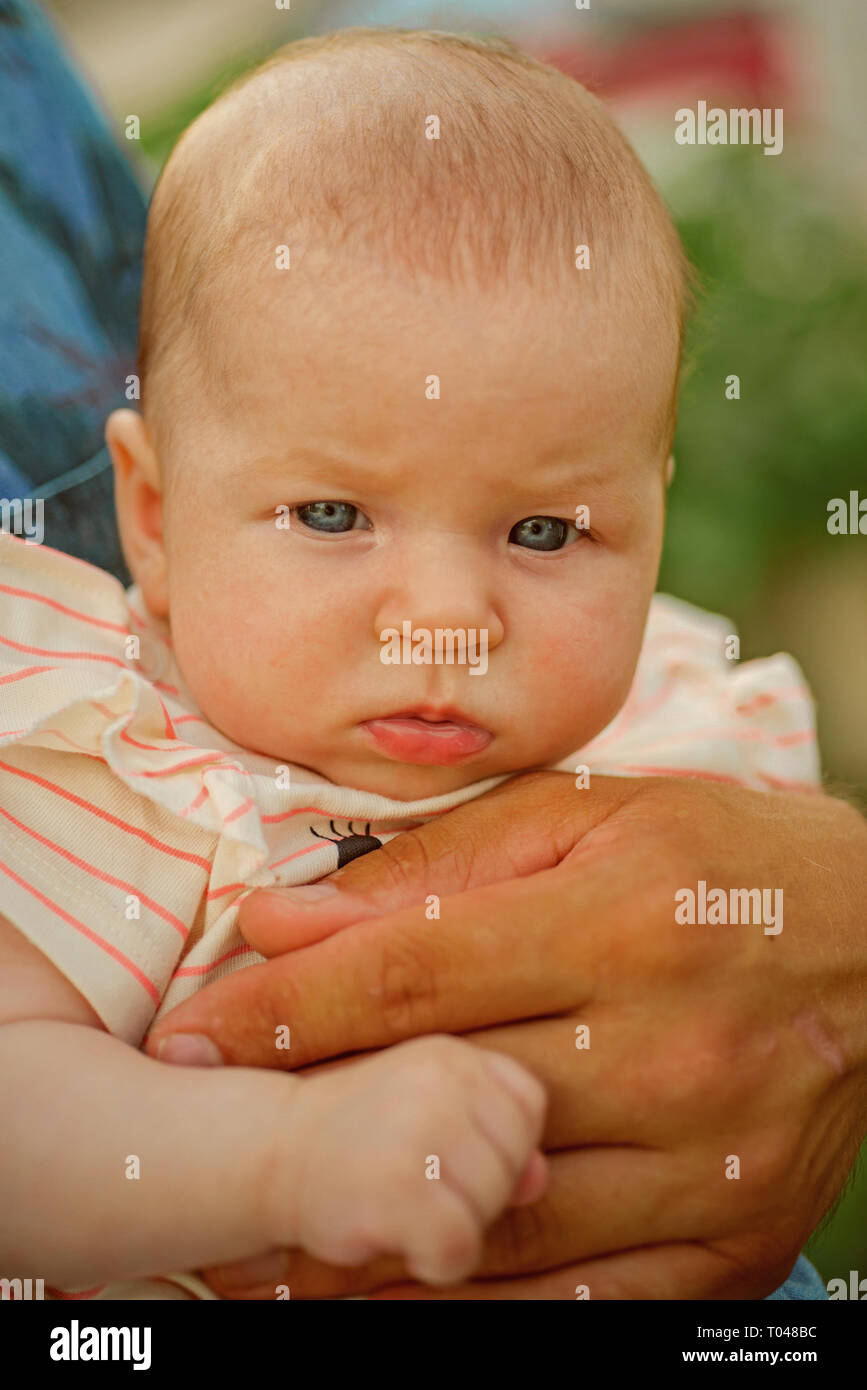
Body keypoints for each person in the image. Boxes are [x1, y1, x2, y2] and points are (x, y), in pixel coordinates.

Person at [0, 18, 864, 1301]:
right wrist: (285, 1157)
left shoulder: (687, 748)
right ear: (157, 519)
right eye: (334, 517)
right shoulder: (130, 775)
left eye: (543, 531)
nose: (449, 621)